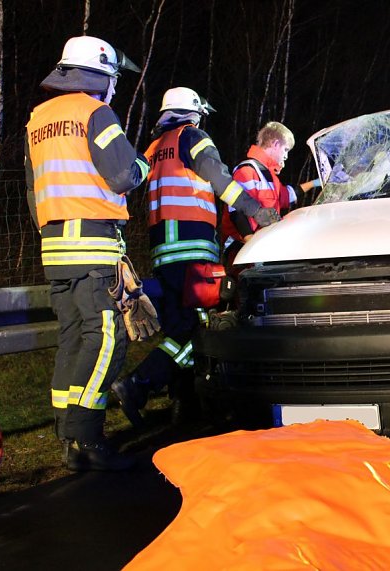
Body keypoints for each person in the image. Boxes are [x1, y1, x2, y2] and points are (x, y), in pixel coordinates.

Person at [111, 87, 280, 428]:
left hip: (163, 252)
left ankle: (182, 410)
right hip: (192, 250)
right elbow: (221, 181)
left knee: (178, 331)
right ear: (194, 112)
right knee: (200, 333)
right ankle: (139, 384)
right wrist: (257, 212)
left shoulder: (155, 148)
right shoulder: (195, 136)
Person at [25, 36, 148, 471]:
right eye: (115, 79)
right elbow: (121, 175)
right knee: (106, 341)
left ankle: (68, 438)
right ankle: (87, 436)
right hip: (93, 243)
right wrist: (143, 166)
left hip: (54, 245)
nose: (116, 87)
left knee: (72, 339)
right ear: (101, 77)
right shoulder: (97, 112)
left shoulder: (37, 119)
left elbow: (32, 189)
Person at [220, 121, 299, 266]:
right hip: (243, 254)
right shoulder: (246, 170)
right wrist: (252, 246)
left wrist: (317, 183)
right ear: (275, 144)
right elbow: (236, 211)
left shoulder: (269, 176)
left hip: (261, 250)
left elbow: (289, 195)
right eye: (286, 149)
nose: (286, 156)